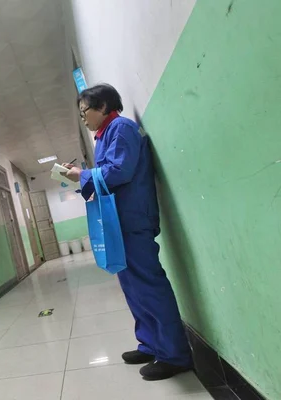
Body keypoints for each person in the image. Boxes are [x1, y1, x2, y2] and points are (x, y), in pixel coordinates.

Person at [64, 84, 193, 381]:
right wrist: (83, 175)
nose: (83, 118)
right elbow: (108, 172)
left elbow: (120, 171)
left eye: (85, 111)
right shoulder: (105, 136)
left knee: (148, 285)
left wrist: (81, 175)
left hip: (133, 221)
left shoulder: (121, 128)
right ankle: (150, 343)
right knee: (132, 287)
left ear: (104, 107)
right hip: (120, 221)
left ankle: (175, 355)